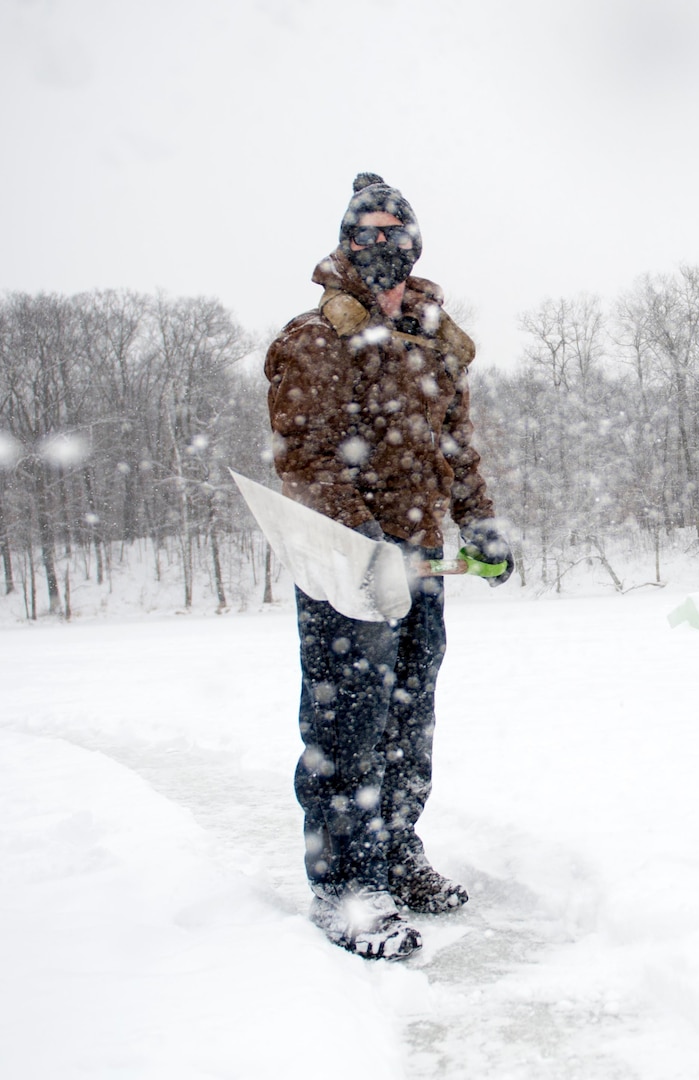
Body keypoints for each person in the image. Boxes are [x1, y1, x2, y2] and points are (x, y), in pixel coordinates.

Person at [264, 172, 512, 960]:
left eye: (392, 230)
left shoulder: (435, 337)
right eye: (364, 232)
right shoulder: (318, 334)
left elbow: (455, 444)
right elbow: (304, 455)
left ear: (414, 241)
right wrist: (365, 536)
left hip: (422, 561)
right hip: (348, 564)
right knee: (349, 724)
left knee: (407, 720)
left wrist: (480, 523)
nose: (381, 244)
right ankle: (346, 886)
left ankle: (397, 855)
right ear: (345, 243)